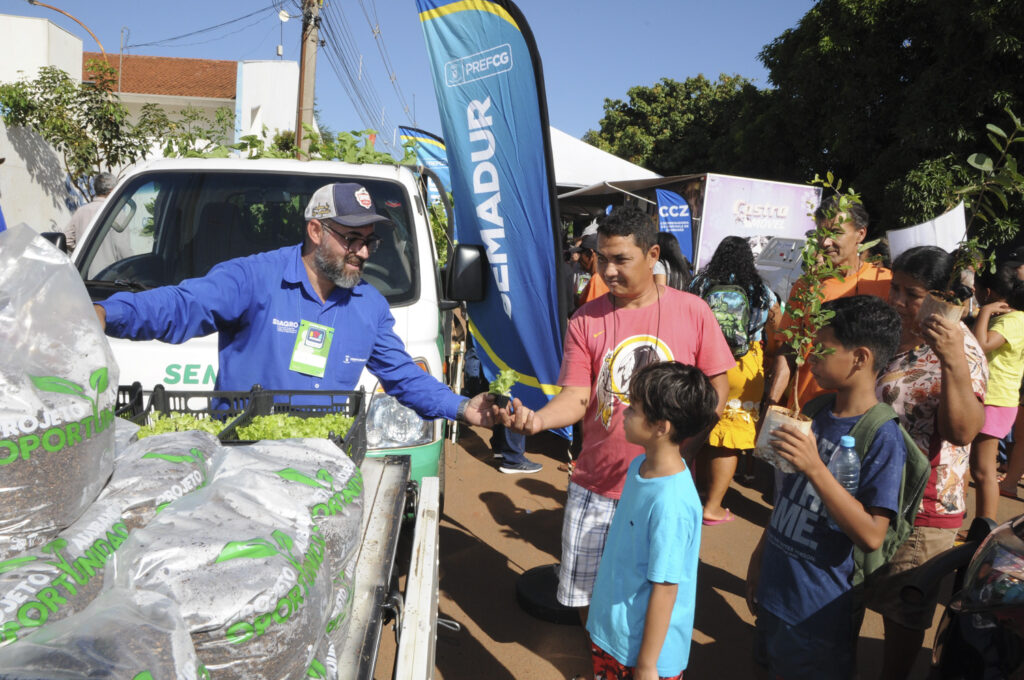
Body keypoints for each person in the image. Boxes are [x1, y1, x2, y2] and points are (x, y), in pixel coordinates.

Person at [94, 182, 496, 427]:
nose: (363, 252)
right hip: (243, 463)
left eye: (369, 241)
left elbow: (404, 377)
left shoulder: (368, 306)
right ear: (316, 231)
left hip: (323, 465)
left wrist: (463, 407)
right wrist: (106, 314)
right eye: (351, 239)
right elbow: (182, 305)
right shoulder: (254, 279)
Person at [498, 205, 734, 619]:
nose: (608, 271)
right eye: (602, 258)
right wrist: (537, 421)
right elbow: (575, 397)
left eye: (621, 259)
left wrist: (689, 448)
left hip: (664, 491)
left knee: (650, 604)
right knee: (584, 603)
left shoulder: (693, 311)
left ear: (653, 254)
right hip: (595, 486)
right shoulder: (584, 319)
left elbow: (718, 387)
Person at [746, 295, 906, 680]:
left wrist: (816, 467)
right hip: (775, 592)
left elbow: (871, 536)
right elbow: (788, 500)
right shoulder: (815, 412)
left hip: (817, 613)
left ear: (860, 357)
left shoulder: (883, 438)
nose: (810, 358)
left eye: (822, 348)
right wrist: (759, 556)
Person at [867, 246, 987, 680]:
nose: (896, 300)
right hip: (877, 496)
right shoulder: (902, 336)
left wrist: (952, 357)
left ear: (942, 299)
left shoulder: (962, 354)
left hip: (923, 509)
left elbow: (961, 432)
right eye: (893, 288)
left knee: (901, 615)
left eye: (910, 293)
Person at [586, 362, 719, 680]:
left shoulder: (671, 504)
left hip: (643, 655)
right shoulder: (639, 466)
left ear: (662, 427)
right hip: (615, 633)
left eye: (634, 409)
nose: (625, 413)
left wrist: (647, 667)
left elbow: (666, 589)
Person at [765, 196, 892, 410]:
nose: (825, 243)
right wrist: (770, 405)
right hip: (806, 411)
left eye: (835, 233)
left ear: (860, 234)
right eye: (821, 234)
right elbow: (787, 351)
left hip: (862, 415)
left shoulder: (885, 282)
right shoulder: (807, 286)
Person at [688, 236, 780, 524]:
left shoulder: (700, 285)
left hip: (704, 360)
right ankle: (712, 506)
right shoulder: (762, 290)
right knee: (728, 439)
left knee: (699, 427)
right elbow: (775, 327)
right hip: (743, 365)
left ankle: (691, 495)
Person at [971, 260, 1024, 520]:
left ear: (988, 292)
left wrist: (984, 312)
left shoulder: (1011, 321)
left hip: (995, 401)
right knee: (977, 467)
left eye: (976, 287)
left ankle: (984, 528)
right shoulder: (1012, 318)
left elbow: (981, 345)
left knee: (983, 470)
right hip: (995, 400)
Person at [59, 172, 116, 253]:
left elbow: (66, 238)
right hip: (112, 264)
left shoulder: (81, 211)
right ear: (112, 190)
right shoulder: (115, 211)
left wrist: (81, 252)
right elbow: (122, 247)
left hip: (85, 264)